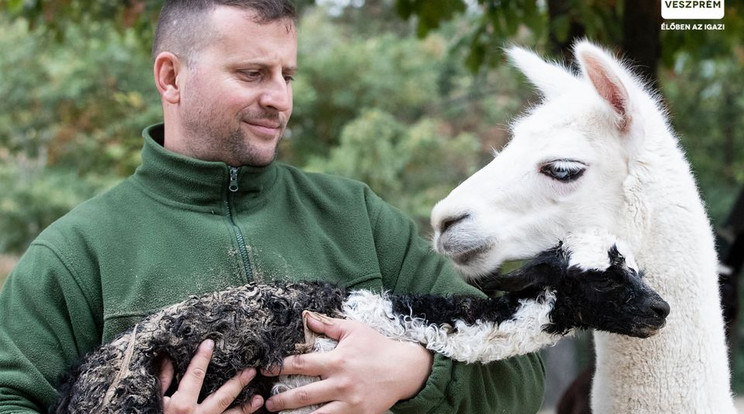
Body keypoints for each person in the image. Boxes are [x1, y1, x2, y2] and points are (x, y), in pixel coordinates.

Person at [0, 1, 545, 413]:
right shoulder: (75, 253)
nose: (279, 98)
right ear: (171, 77)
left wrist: (414, 373)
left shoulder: (358, 217)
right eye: (252, 74)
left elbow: (518, 369)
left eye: (287, 76)